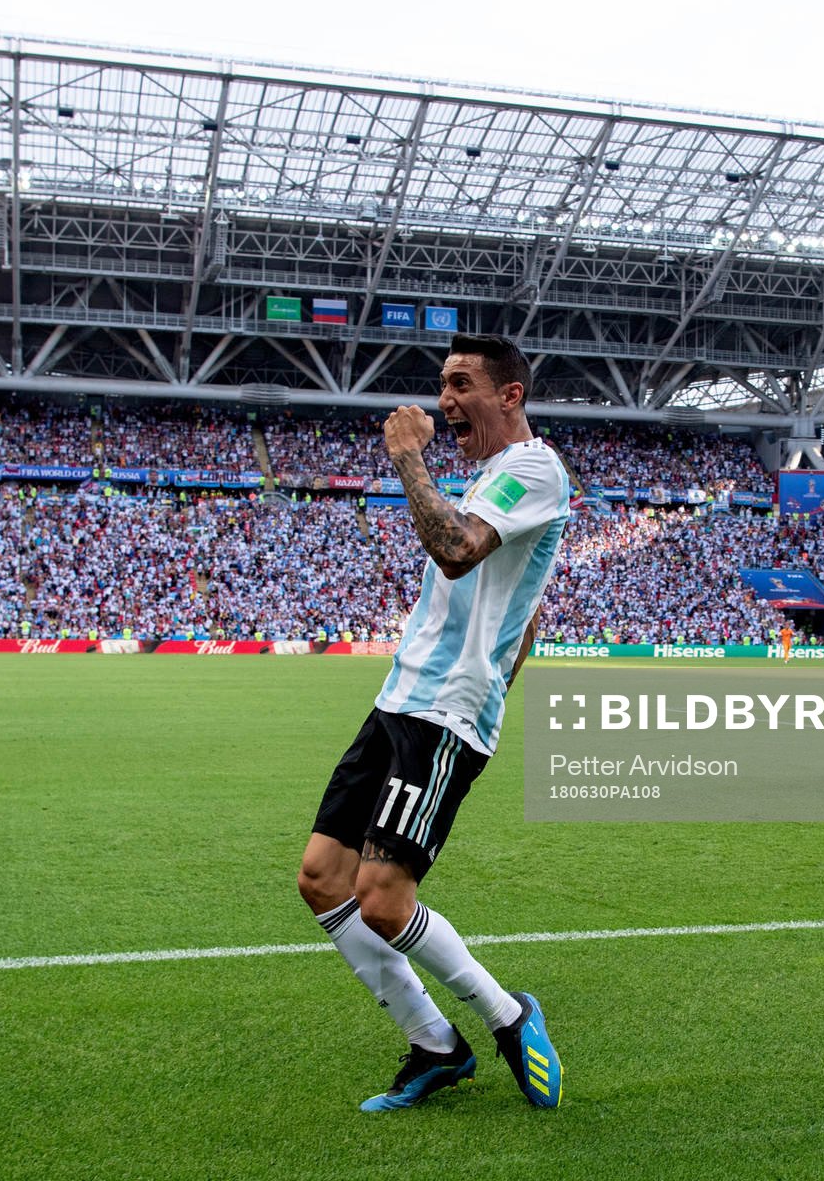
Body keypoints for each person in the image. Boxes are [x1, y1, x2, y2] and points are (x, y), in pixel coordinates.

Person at [294, 334, 570, 1113]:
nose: (444, 399)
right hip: (399, 699)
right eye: (441, 385)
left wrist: (408, 458)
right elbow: (526, 601)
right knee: (321, 880)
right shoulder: (490, 476)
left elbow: (455, 550)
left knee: (383, 898)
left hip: (444, 713)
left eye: (460, 384)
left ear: (509, 394)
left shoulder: (534, 468)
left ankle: (509, 1017)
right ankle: (435, 1045)